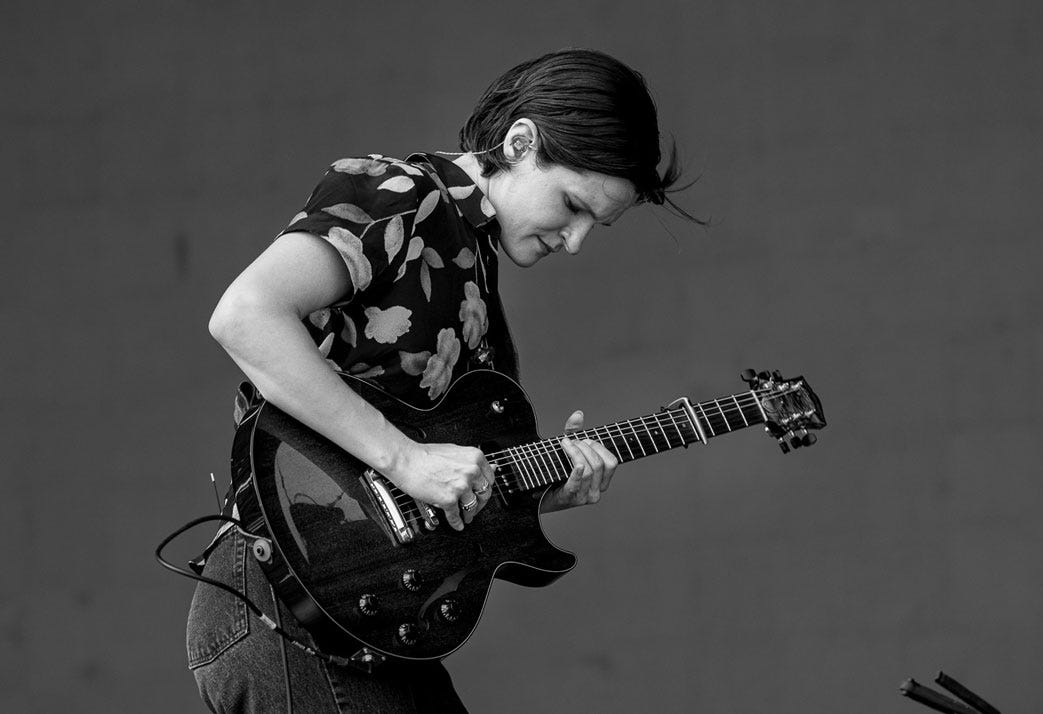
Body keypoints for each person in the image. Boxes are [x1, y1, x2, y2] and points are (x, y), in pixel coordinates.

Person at [186, 48, 696, 713]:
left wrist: (534, 493)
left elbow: (420, 491)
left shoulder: (472, 263)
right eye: (572, 206)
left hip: (359, 621)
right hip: (283, 604)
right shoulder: (400, 194)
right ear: (519, 143)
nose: (575, 242)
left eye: (595, 226)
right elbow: (245, 316)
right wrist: (406, 459)